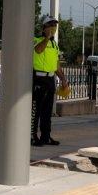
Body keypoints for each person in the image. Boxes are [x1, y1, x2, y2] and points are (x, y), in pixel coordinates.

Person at [32, 16, 69, 147]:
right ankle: (32, 136)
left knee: (47, 111)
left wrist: (63, 78)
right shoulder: (37, 40)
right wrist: (46, 38)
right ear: (44, 27)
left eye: (55, 25)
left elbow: (56, 64)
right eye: (50, 25)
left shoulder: (54, 44)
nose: (53, 28)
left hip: (50, 79)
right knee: (36, 110)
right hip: (38, 78)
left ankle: (46, 136)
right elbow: (38, 50)